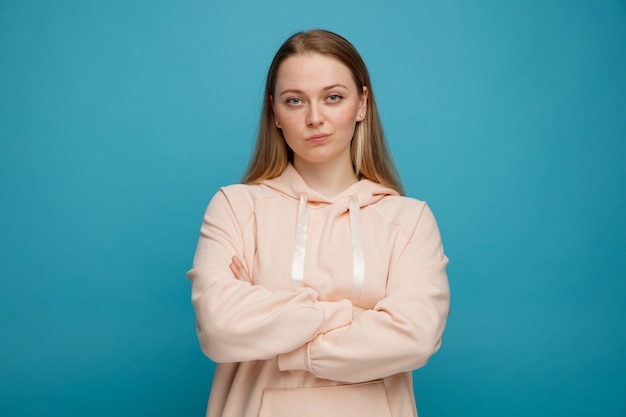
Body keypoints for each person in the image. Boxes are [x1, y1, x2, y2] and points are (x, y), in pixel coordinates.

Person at [187, 29, 450, 417]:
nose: (315, 118)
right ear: (274, 111)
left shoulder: (409, 219)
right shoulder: (235, 207)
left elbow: (415, 336)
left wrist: (275, 328)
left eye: (333, 97)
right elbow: (220, 327)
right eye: (295, 101)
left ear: (362, 104)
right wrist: (353, 315)